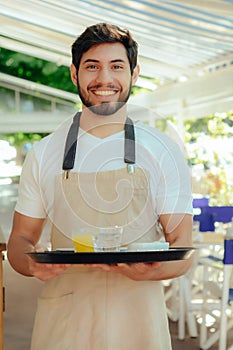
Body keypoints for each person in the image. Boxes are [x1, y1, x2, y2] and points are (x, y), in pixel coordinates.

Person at [7, 23, 193, 350]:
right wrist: (32, 264)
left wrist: (148, 274)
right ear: (74, 74)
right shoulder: (44, 153)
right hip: (65, 318)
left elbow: (182, 246)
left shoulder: (162, 151)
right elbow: (21, 240)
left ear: (134, 74)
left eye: (116, 66)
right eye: (92, 66)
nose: (104, 79)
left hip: (139, 320)